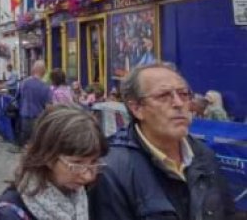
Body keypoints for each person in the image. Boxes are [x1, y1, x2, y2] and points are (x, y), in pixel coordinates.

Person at [89, 64, 236, 219]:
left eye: (184, 94)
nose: (179, 103)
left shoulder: (203, 155)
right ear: (136, 108)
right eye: (163, 96)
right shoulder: (111, 170)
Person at [0, 106, 108, 220]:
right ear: (48, 157)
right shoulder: (10, 213)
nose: (88, 176)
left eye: (93, 162)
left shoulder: (82, 192)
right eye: (77, 164)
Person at [18, 60, 52, 146]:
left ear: (33, 70)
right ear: (44, 72)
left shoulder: (24, 83)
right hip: (38, 118)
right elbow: (48, 108)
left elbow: (19, 97)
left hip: (24, 117)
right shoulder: (45, 87)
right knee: (37, 144)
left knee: (25, 144)